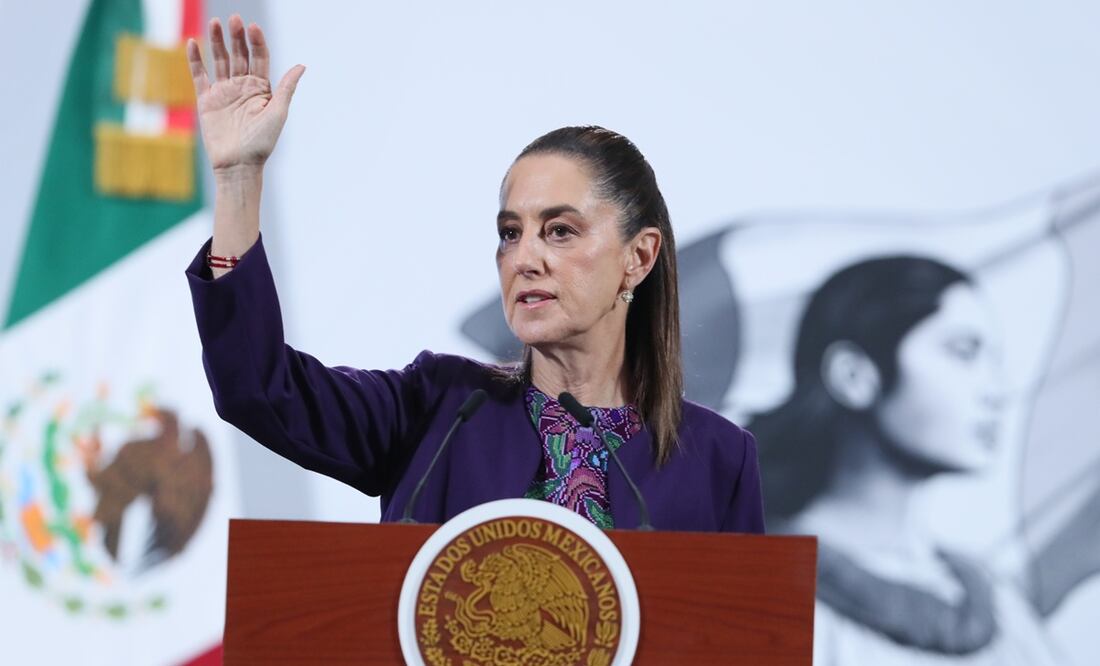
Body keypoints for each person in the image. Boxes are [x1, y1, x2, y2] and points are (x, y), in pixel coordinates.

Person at [182, 15, 764, 532]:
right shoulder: (439, 409)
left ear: (638, 257)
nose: (524, 258)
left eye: (560, 230)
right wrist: (237, 180)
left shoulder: (719, 459)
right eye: (511, 232)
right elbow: (257, 387)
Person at [750, 256, 1061, 664]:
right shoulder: (757, 595)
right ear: (853, 376)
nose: (997, 391)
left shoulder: (998, 603)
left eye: (994, 361)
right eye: (964, 352)